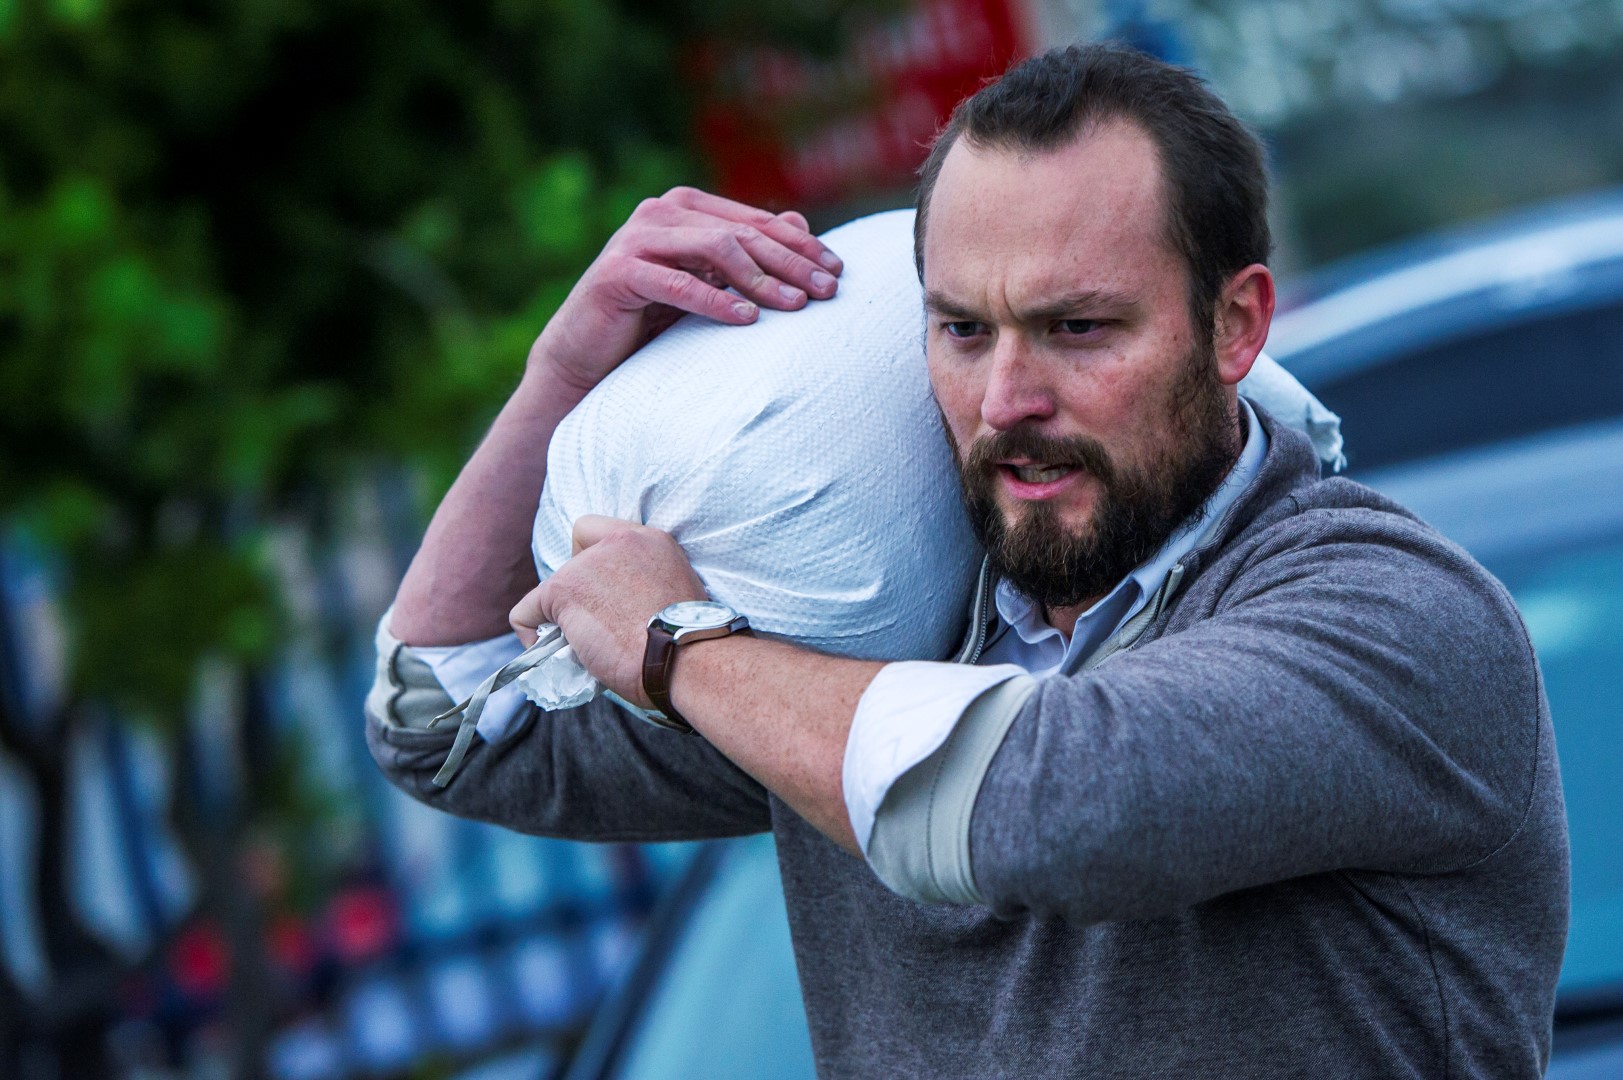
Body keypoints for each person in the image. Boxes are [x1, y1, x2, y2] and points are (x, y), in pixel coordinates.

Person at [369, 43, 1567, 1078]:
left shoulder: (1394, 613)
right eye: (961, 329)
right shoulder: (863, 635)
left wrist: (679, 647)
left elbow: (1061, 806)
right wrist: (564, 373)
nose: (1003, 400)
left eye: (1076, 328)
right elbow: (445, 721)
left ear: (1235, 323)